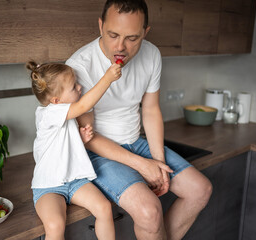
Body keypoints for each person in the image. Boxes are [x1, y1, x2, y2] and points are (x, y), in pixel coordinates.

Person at [65, 0, 213, 239]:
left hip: (136, 141)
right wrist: (142, 165)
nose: (120, 46)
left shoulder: (152, 54)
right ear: (101, 25)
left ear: (145, 32)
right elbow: (88, 138)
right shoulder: (80, 67)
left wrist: (158, 163)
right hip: (97, 152)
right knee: (149, 212)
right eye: (113, 35)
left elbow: (151, 110)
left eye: (132, 38)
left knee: (200, 190)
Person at [27, 61, 122, 240]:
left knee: (104, 208)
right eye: (73, 86)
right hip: (49, 186)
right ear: (56, 100)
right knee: (55, 225)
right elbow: (83, 107)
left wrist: (80, 140)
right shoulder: (48, 113)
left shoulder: (63, 113)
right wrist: (108, 78)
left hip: (75, 181)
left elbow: (60, 145)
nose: (79, 87)